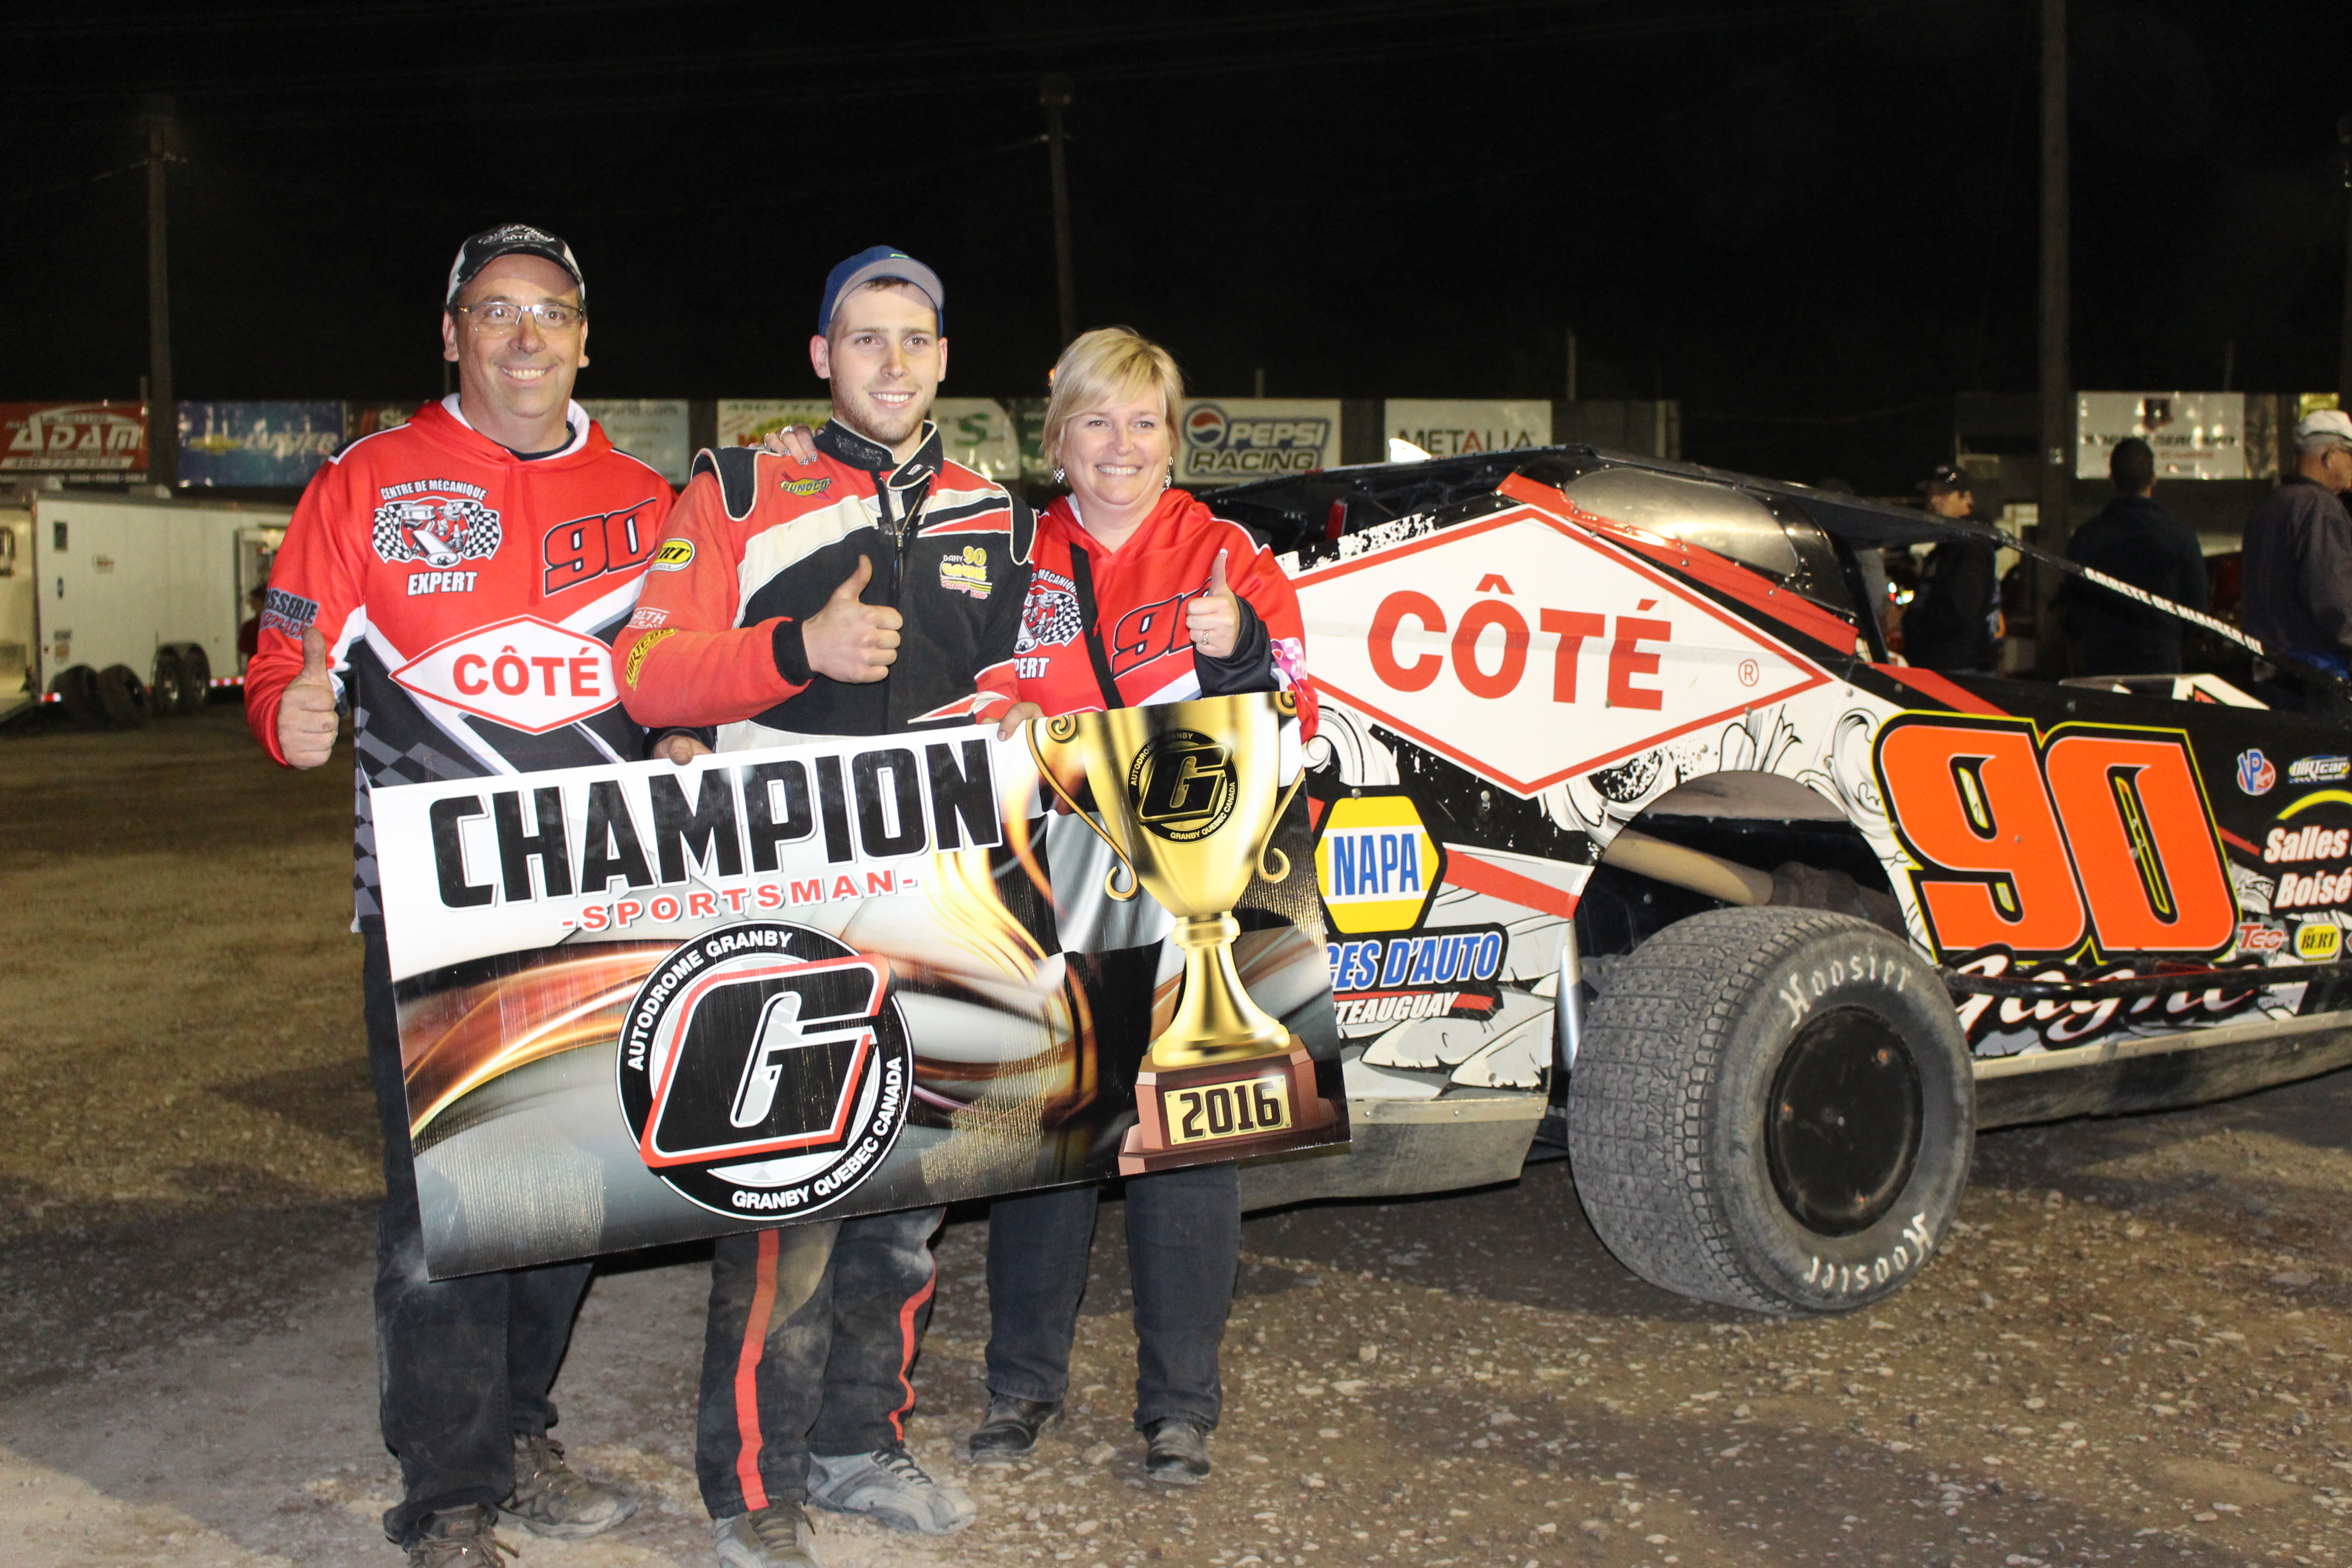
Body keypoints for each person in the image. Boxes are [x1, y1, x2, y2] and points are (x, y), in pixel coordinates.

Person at [246, 224, 670, 1567]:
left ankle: (522, 1430)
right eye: (497, 312)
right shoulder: (368, 483)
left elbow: (686, 683)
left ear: (585, 338)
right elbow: (282, 655)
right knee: (447, 1208)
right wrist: (287, 711)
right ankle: (450, 1494)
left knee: (579, 1192)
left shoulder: (647, 500)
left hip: (600, 903)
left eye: (551, 313)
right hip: (431, 912)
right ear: (452, 335)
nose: (526, 337)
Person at [614, 246, 1030, 1568]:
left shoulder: (996, 514)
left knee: (907, 1208)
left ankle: (861, 1446)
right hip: (783, 910)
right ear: (820, 356)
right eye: (865, 338)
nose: (893, 362)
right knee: (789, 1203)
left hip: (943, 908)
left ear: (947, 360)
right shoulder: (740, 484)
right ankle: (754, 1488)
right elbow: (644, 673)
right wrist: (798, 654)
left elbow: (1048, 682)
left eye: (915, 338)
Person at [961, 327, 1318, 1487]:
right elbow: (952, 709)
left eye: (1144, 419)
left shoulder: (1222, 548)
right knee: (1043, 1142)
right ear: (1056, 437)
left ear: (1175, 436)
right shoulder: (1005, 554)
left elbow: (1302, 715)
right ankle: (1021, 1386)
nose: (1121, 444)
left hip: (1190, 895)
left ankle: (1179, 1408)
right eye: (1095, 419)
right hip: (1038, 885)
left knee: (1187, 1145)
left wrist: (1239, 647)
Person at [2058, 436, 2208, 675]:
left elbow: (2073, 605)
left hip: (2103, 666)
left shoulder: (2087, 538)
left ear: (2112, 481)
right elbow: (2197, 608)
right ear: (2154, 481)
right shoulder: (2181, 538)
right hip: (2161, 665)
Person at [2240, 409, 2352, 680]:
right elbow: (2333, 599)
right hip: (2315, 674)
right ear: (2330, 456)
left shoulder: (2269, 506)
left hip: (2269, 669)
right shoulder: (2320, 508)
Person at [1901, 464, 2000, 674]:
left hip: (1957, 667)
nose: (1934, 499)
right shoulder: (1951, 545)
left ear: (1967, 499)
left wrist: (1909, 623)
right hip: (1948, 663)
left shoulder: (1970, 546)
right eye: (1931, 492)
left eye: (1944, 493)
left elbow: (1957, 612)